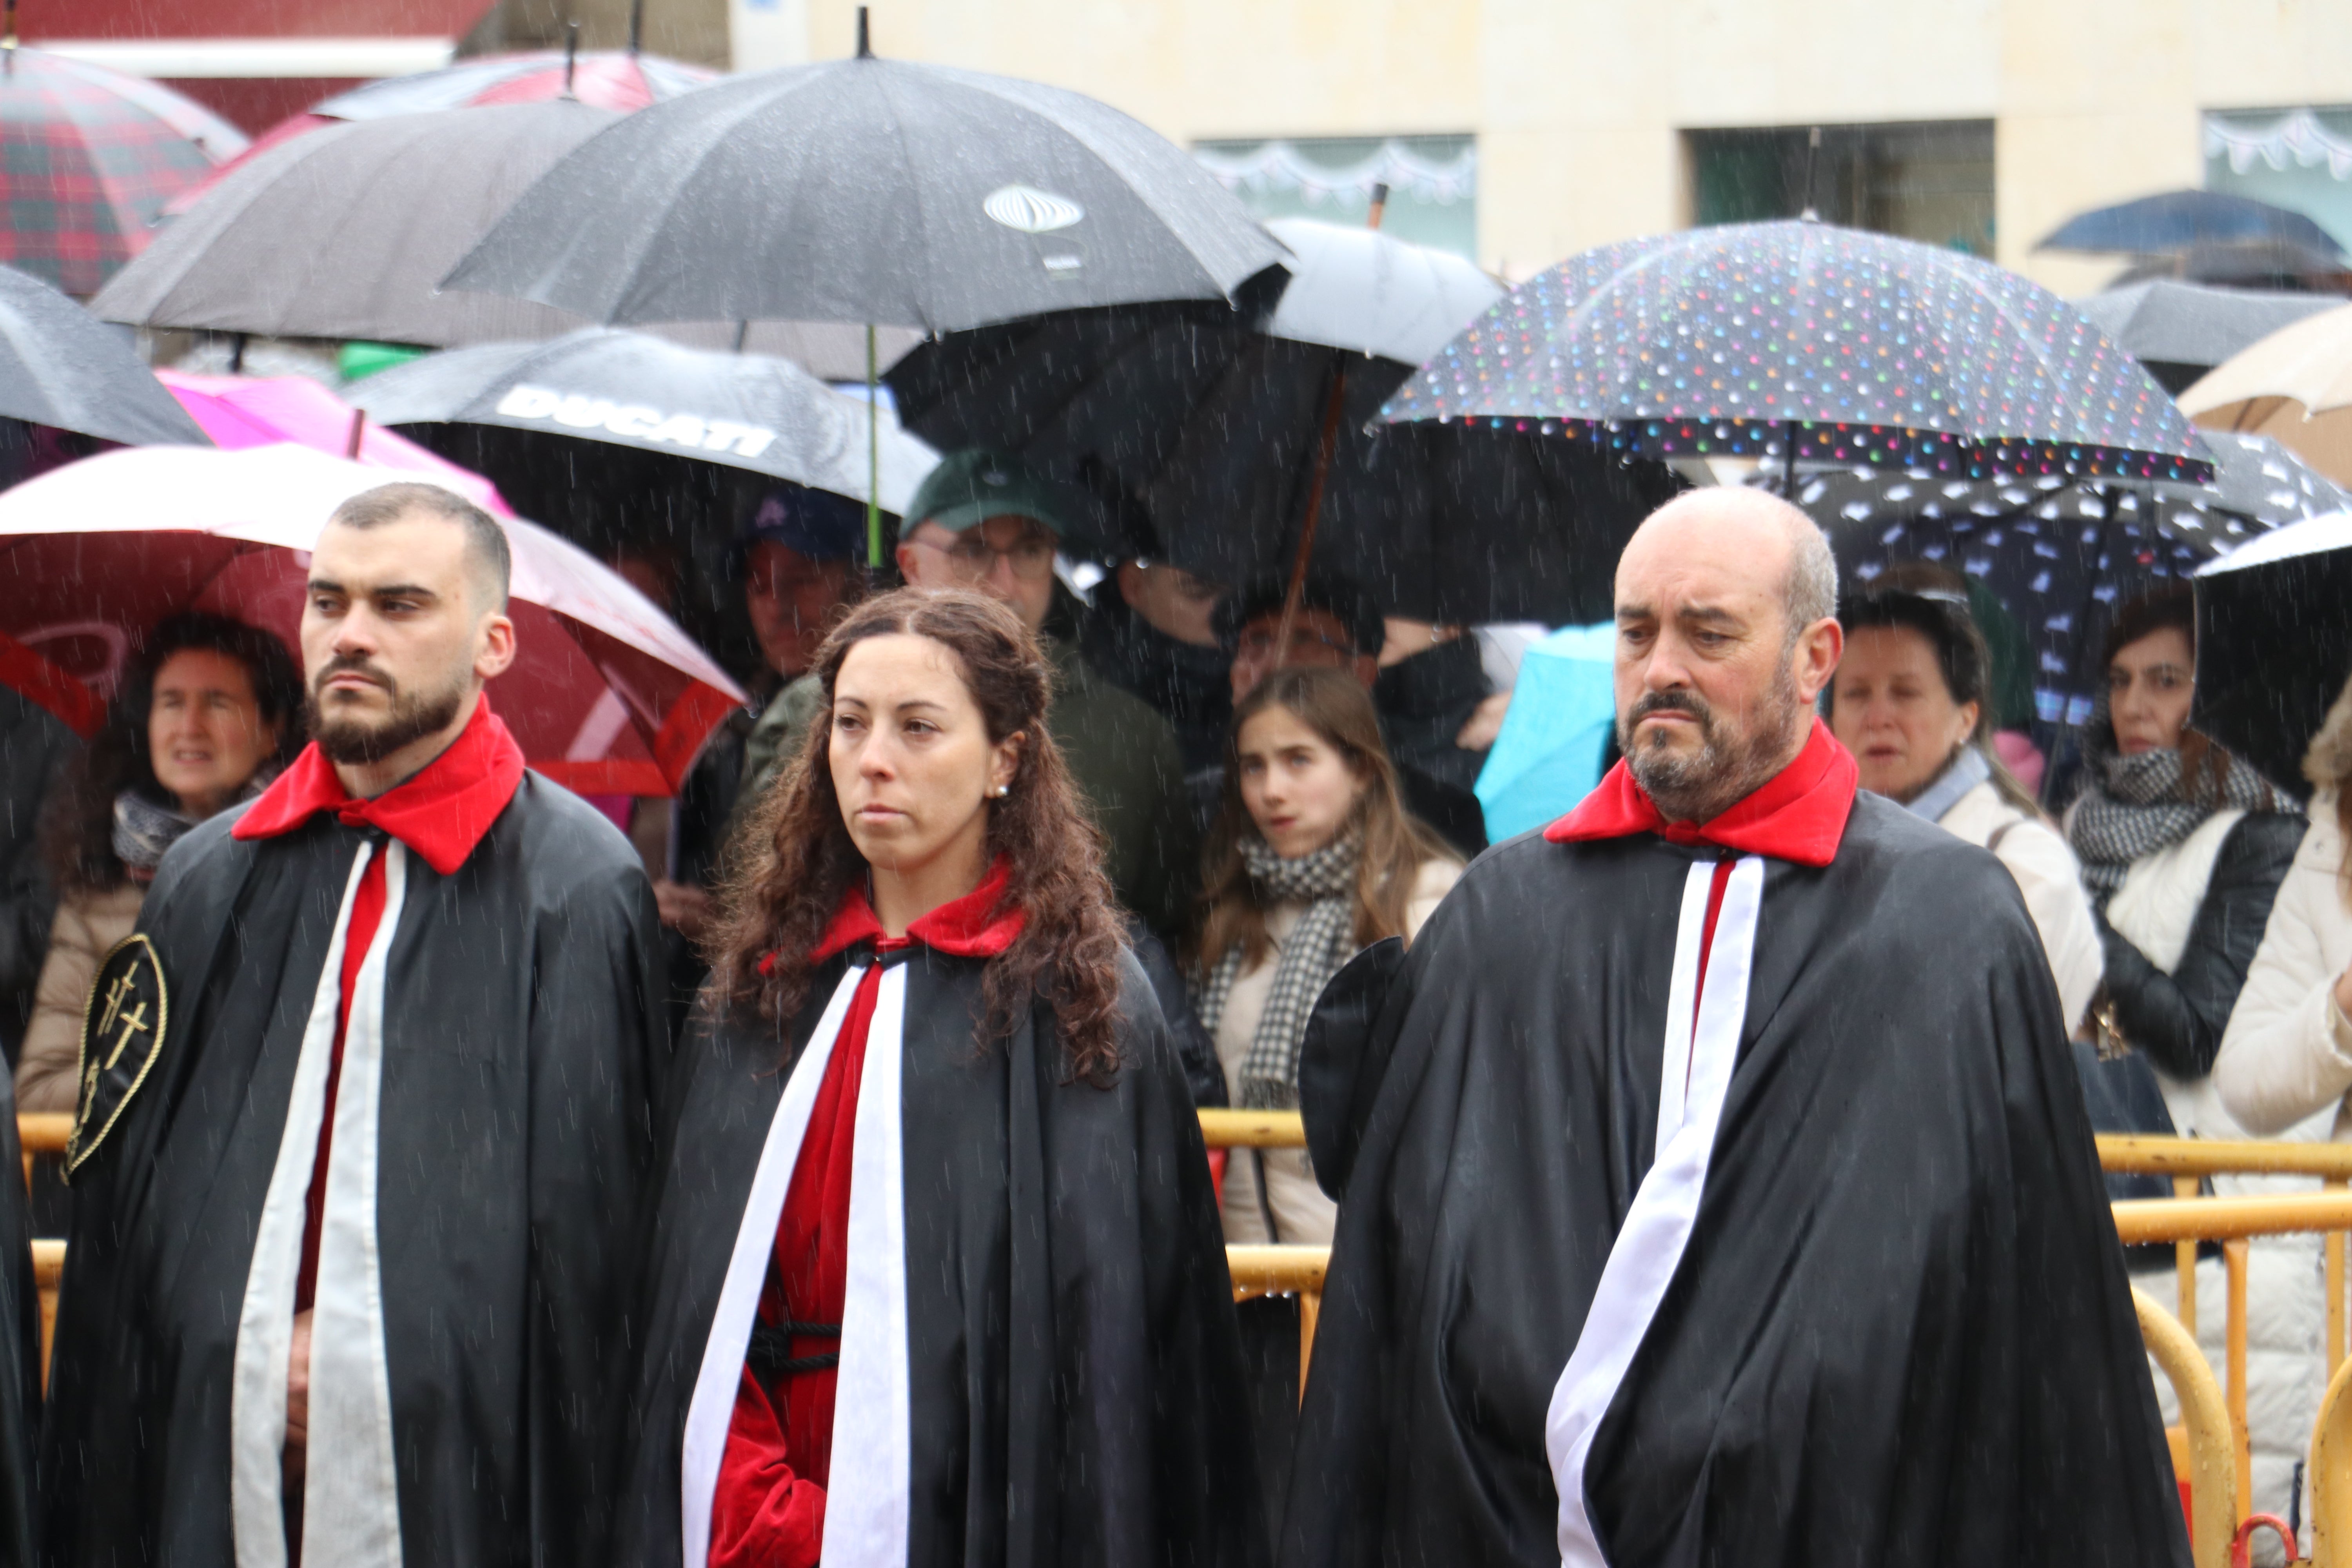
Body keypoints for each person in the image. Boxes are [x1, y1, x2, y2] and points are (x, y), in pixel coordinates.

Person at [1281, 488, 2185, 1568]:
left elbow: (2021, 1315)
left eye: (1709, 634)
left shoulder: (1944, 922)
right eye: (1636, 632)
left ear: (1816, 659)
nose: (1662, 666)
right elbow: (1409, 1268)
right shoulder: (1501, 916)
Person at [40, 482, 667, 1568]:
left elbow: (588, 1258)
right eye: (328, 601)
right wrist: (236, 1353)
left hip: (460, 1488)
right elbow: (136, 1213)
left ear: (494, 644)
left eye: (401, 605)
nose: (353, 636)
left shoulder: (576, 887)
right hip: (205, 1458)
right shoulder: (203, 880)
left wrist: (373, 1368)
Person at [612, 586, 1262, 1568]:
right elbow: (692, 1302)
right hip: (748, 1504)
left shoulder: (1080, 1004)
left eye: (920, 727)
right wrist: (763, 1501)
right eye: (851, 724)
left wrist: (917, 1507)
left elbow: (1106, 1349)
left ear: (1007, 757)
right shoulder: (762, 992)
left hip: (982, 1511)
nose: (874, 759)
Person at [1196, 666, 1459, 1245]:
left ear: (1361, 769)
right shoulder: (1231, 917)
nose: (1272, 791)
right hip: (1240, 1278)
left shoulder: (1424, 901)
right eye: (1253, 766)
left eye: (1298, 761)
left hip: (1361, 1276)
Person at [893, 450, 1198, 943]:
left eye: (1030, 551)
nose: (1004, 582)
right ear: (911, 563)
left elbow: (1165, 926)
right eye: (973, 550)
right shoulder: (834, 713)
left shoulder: (1132, 735)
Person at [17, 615, 304, 1114]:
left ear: (273, 728)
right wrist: (170, 1061)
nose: (189, 727)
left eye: (218, 702)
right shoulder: (100, 890)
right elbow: (40, 1094)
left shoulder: (312, 867)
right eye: (171, 702)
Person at [2065, 588, 2304, 1138]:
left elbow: (2195, 1040)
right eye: (2121, 679)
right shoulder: (2088, 817)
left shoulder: (2266, 832)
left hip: (2204, 1182)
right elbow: (2104, 1024)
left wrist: (2072, 908)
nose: (2131, 705)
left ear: (2221, 698)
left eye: (2165, 681)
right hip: (2098, 1145)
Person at [1828, 583, 2102, 1029]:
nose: (1877, 716)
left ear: (1966, 718)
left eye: (1906, 692)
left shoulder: (2025, 863)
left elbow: (1996, 1054)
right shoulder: (1814, 848)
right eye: (1856, 693)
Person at [1212, 572, 1488, 861]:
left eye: (1303, 640)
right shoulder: (1200, 808)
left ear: (1361, 673)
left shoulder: (1436, 815)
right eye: (1255, 642)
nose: (1273, 664)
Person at [1078, 550, 1233, 775]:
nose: (1227, 615)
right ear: (1134, 584)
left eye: (1242, 595)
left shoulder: (1263, 682)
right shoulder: (1081, 690)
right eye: (1200, 590)